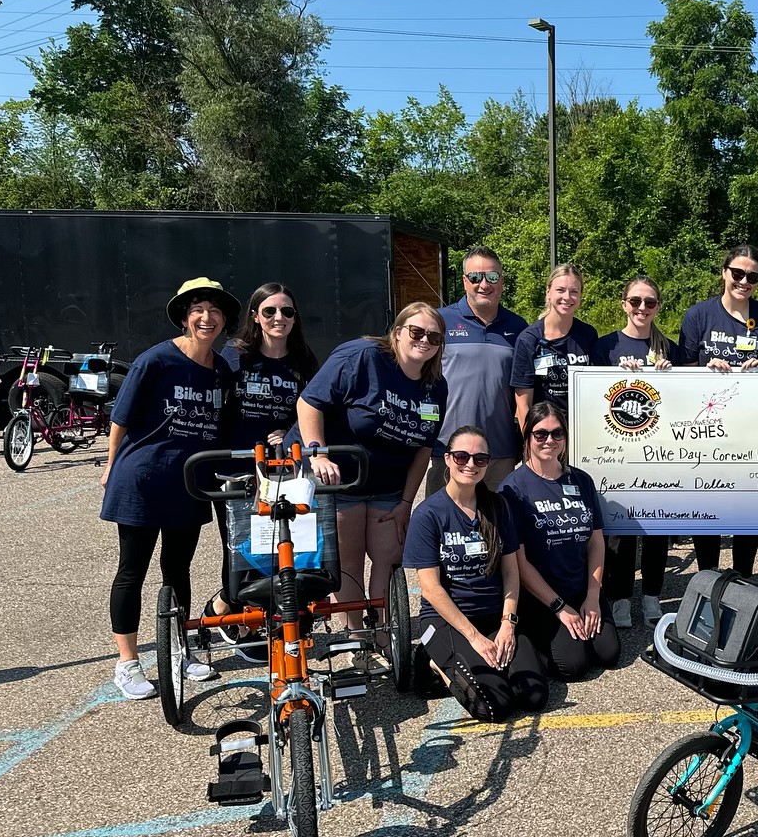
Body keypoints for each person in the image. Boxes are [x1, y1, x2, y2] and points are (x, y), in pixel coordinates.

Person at [100, 277, 237, 700]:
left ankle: (178, 651)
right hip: (142, 480)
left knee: (177, 570)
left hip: (189, 483)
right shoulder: (156, 361)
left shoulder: (222, 369)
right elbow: (120, 419)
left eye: (214, 310)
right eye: (197, 309)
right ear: (183, 317)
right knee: (132, 570)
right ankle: (127, 661)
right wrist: (110, 468)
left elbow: (222, 429)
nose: (206, 317)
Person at [292, 302, 447, 627]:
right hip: (342, 480)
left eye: (434, 337)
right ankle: (355, 634)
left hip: (388, 486)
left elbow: (424, 448)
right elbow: (309, 402)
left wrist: (407, 502)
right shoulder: (362, 356)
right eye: (416, 332)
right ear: (398, 332)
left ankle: (384, 631)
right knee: (348, 561)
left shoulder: (435, 385)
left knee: (388, 558)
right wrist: (318, 453)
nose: (424, 341)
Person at [207, 283, 321, 654]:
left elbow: (314, 409)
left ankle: (272, 622)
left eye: (287, 312)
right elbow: (212, 405)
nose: (279, 318)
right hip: (236, 468)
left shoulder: (304, 361)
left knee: (284, 546)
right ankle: (226, 607)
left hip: (284, 470)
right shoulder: (235, 356)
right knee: (241, 547)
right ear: (255, 316)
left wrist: (289, 432)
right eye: (270, 311)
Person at [404, 427, 547, 721]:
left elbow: (510, 571)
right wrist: (474, 638)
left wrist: (508, 624)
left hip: (493, 617)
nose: (470, 464)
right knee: (494, 708)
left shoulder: (497, 507)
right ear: (447, 459)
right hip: (449, 622)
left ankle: (482, 664)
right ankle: (430, 661)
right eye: (462, 456)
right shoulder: (428, 515)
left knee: (534, 697)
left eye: (480, 459)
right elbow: (430, 589)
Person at [677, 243, 758, 576]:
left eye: (752, 276)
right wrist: (702, 369)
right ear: (724, 272)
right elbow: (680, 376)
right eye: (738, 273)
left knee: (748, 506)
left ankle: (743, 577)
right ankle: (707, 577)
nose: (744, 281)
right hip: (707, 430)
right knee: (707, 503)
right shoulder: (698, 315)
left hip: (754, 430)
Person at [594, 275, 691, 629]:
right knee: (619, 531)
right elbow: (591, 397)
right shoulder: (604, 347)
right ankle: (620, 598)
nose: (642, 308)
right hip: (616, 453)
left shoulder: (669, 348)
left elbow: (684, 404)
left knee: (656, 527)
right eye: (635, 301)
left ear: (658, 307)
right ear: (624, 304)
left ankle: (652, 595)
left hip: (659, 454)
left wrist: (670, 376)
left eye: (650, 303)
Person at [499, 403, 620, 680]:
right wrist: (560, 608)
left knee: (609, 654)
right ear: (527, 436)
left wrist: (592, 597)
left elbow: (596, 543)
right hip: (542, 597)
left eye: (557, 434)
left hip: (581, 588)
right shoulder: (511, 489)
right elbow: (519, 560)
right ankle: (528, 638)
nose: (549, 441)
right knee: (573, 667)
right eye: (540, 434)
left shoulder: (581, 480)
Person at [432, 246, 528, 493]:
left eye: (492, 277)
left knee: (497, 526)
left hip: (499, 452)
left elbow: (525, 389)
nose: (484, 284)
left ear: (502, 282)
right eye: (476, 277)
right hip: (448, 449)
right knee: (445, 525)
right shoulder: (440, 322)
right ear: (465, 281)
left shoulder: (518, 327)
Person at [511, 262, 599, 435]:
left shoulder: (588, 335)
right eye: (560, 290)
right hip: (545, 435)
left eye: (574, 291)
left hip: (582, 431)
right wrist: (531, 443)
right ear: (548, 292)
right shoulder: (529, 339)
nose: (567, 297)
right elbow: (523, 403)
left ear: (580, 296)